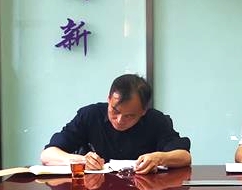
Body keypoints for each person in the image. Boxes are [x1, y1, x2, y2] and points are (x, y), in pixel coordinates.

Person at [40, 74, 191, 174]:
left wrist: (159, 158)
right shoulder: (90, 115)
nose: (119, 120)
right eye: (115, 110)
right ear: (109, 99)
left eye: (129, 116)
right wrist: (81, 160)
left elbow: (184, 157)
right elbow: (47, 155)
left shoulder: (156, 120)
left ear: (143, 111)